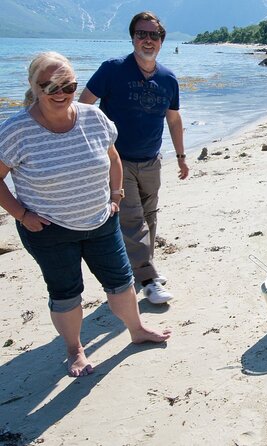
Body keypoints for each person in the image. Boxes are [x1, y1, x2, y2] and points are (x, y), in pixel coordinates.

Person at [0, 52, 171, 377]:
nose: (60, 92)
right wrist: (21, 214)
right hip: (49, 230)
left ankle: (136, 329)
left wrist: (115, 195)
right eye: (48, 85)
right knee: (66, 294)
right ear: (34, 87)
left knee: (121, 283)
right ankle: (75, 350)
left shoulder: (93, 117)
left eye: (68, 84)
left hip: (101, 222)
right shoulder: (16, 131)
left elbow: (114, 157)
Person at [79, 11, 189, 304]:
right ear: (132, 38)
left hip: (152, 158)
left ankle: (142, 266)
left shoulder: (168, 78)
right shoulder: (112, 70)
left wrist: (180, 156)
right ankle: (150, 279)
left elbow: (174, 120)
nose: (148, 40)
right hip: (117, 159)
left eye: (154, 35)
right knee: (131, 219)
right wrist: (92, 147)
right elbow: (83, 107)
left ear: (162, 41)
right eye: (142, 34)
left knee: (149, 216)